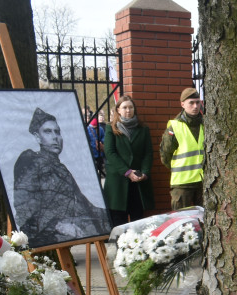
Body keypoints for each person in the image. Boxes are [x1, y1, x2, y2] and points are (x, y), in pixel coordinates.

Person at [13, 107, 112, 248]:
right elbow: (25, 207)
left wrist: (107, 216)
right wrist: (57, 225)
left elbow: (83, 204)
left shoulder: (62, 168)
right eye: (47, 131)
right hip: (45, 232)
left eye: (57, 132)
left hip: (72, 222)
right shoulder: (30, 162)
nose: (55, 137)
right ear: (37, 136)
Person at [103, 95, 153, 226]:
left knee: (138, 222)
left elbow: (148, 154)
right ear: (118, 110)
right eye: (124, 107)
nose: (128, 110)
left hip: (137, 182)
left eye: (131, 107)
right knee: (119, 222)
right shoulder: (111, 128)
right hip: (118, 182)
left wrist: (144, 173)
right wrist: (127, 171)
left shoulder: (143, 129)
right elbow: (109, 152)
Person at [160, 87, 204, 210]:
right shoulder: (174, 127)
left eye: (198, 102)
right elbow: (165, 155)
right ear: (182, 104)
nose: (195, 106)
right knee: (182, 223)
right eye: (191, 103)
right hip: (182, 184)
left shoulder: (206, 124)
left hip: (203, 182)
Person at [87, 112, 105, 178]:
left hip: (98, 151)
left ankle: (99, 174)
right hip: (93, 151)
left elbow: (104, 137)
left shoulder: (100, 129)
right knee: (95, 165)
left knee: (99, 164)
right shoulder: (88, 129)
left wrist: (101, 142)